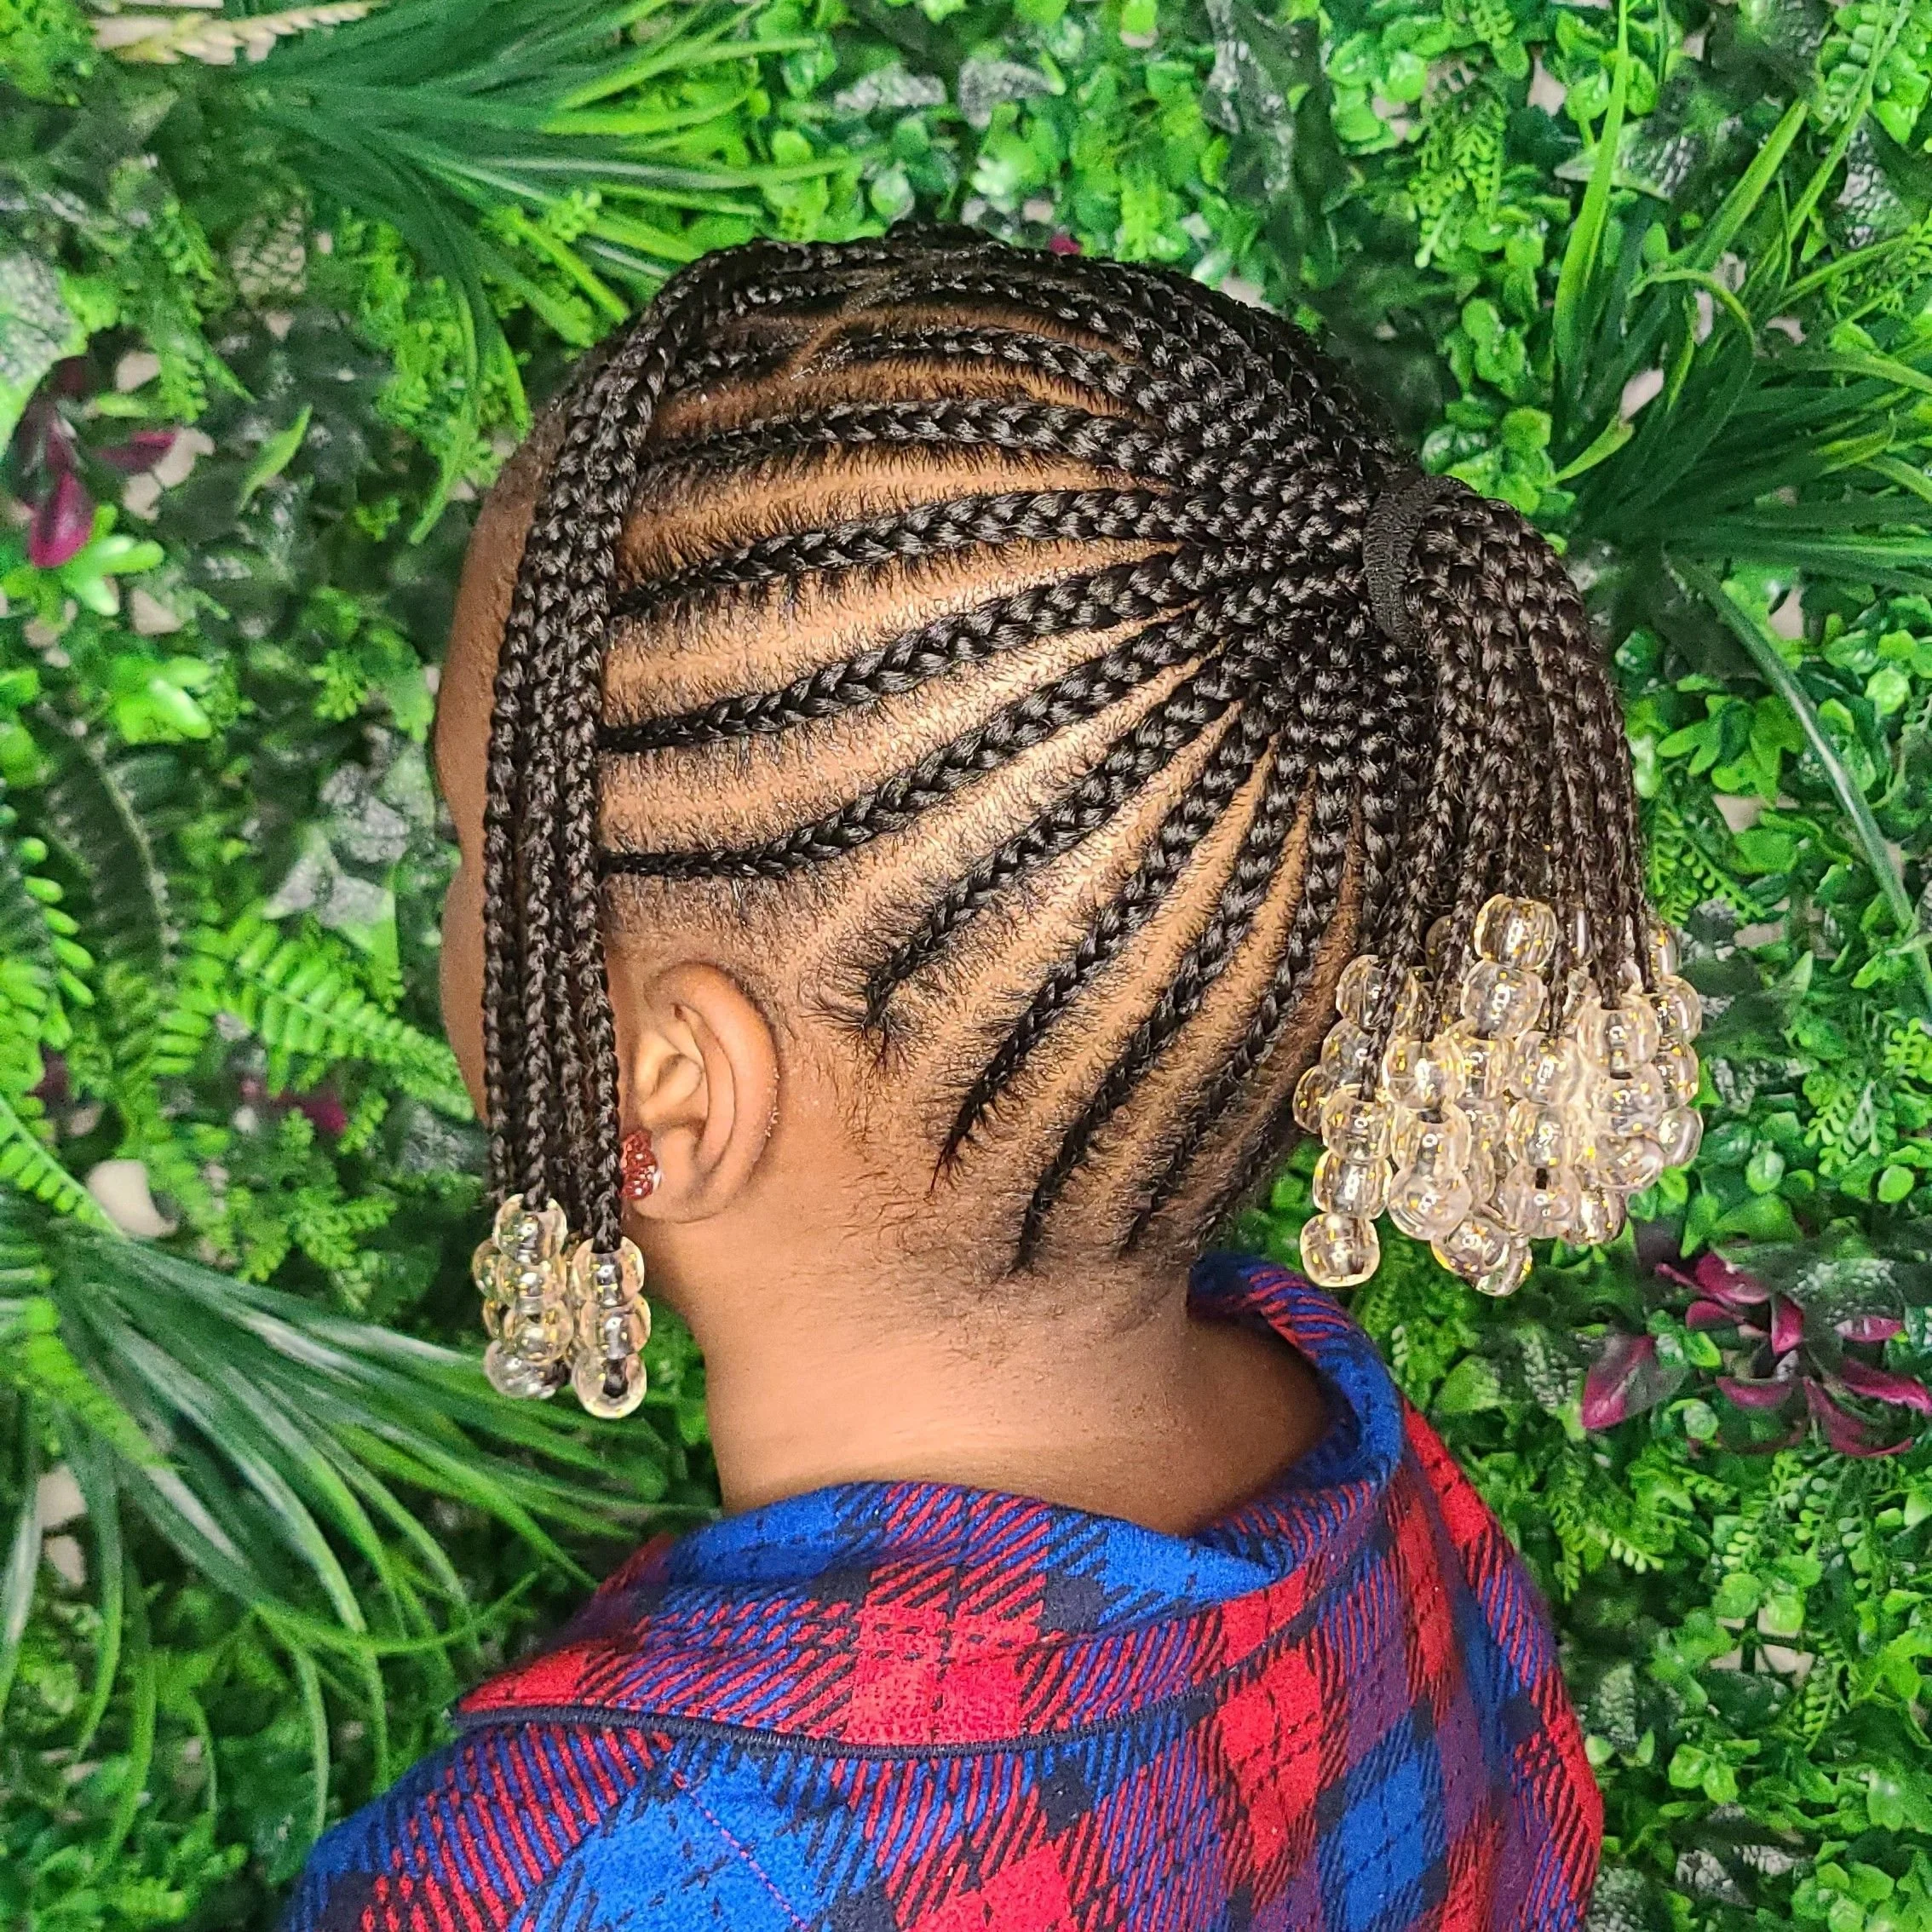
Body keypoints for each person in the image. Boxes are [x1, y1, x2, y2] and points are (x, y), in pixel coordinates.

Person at [283, 225, 1632, 1930]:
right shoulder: (1344, 1448)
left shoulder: (545, 1879)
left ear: (673, 1086)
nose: (460, 900)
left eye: (482, 843)